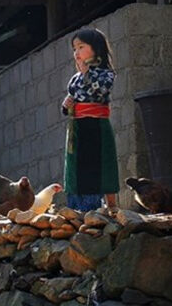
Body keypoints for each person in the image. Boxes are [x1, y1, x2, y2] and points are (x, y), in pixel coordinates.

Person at [62, 28, 119, 211]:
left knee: (100, 165)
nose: (76, 53)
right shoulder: (74, 79)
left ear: (95, 48)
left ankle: (105, 207)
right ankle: (76, 208)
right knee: (76, 167)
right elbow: (68, 108)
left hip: (97, 127)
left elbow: (99, 90)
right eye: (74, 49)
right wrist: (66, 105)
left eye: (81, 47)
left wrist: (87, 71)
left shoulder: (106, 74)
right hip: (77, 129)